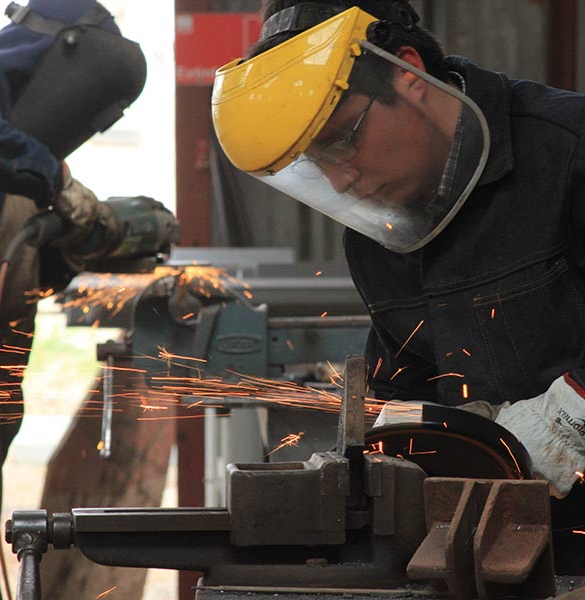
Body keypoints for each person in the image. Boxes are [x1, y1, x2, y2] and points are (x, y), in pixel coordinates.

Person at [211, 0, 585, 574]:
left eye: (342, 140)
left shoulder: (568, 151)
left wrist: (569, 415)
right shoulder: (379, 239)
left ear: (408, 73)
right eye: (318, 162)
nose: (341, 180)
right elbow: (406, 383)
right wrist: (383, 452)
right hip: (518, 553)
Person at [0, 2, 137, 597]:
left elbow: (25, 281)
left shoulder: (19, 174)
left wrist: (76, 245)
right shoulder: (9, 147)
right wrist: (58, 181)